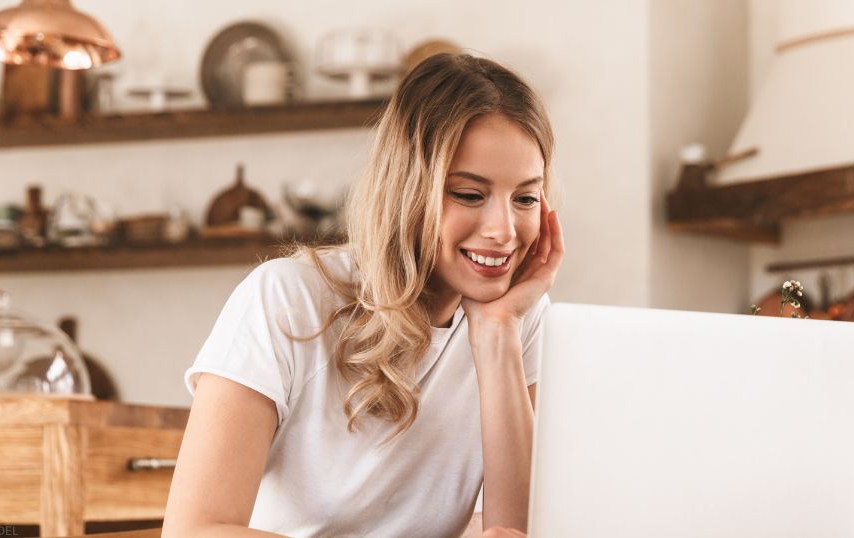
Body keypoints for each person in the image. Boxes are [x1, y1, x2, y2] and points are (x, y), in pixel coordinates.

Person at [161, 53, 565, 538]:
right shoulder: (286, 299)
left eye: (525, 198)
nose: (504, 231)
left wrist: (498, 333)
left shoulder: (520, 317)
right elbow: (194, 530)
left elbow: (516, 530)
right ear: (408, 190)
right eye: (469, 194)